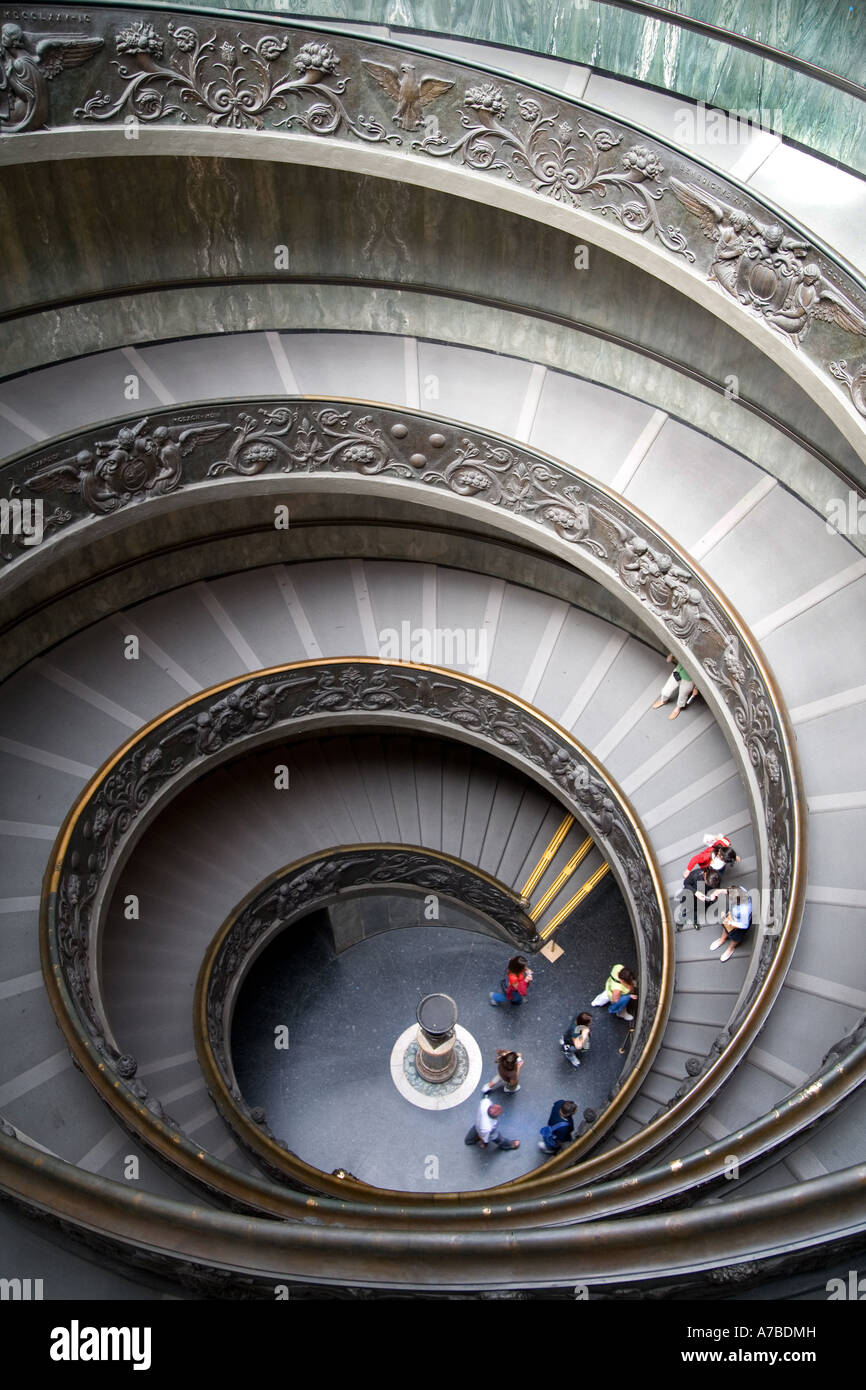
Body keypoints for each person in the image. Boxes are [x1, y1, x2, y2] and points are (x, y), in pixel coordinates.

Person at [709, 886, 753, 961]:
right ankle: (722, 940)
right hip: (732, 915)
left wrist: (731, 923)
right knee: (725, 928)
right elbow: (728, 891)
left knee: (736, 937)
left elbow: (744, 925)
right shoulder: (740, 890)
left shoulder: (744, 909)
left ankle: (730, 948)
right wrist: (718, 892)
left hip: (739, 923)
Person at [652, 652, 699, 720]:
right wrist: (672, 655)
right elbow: (680, 650)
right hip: (678, 672)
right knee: (666, 690)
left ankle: (678, 708)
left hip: (689, 680)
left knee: (683, 696)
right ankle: (663, 700)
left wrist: (696, 687)